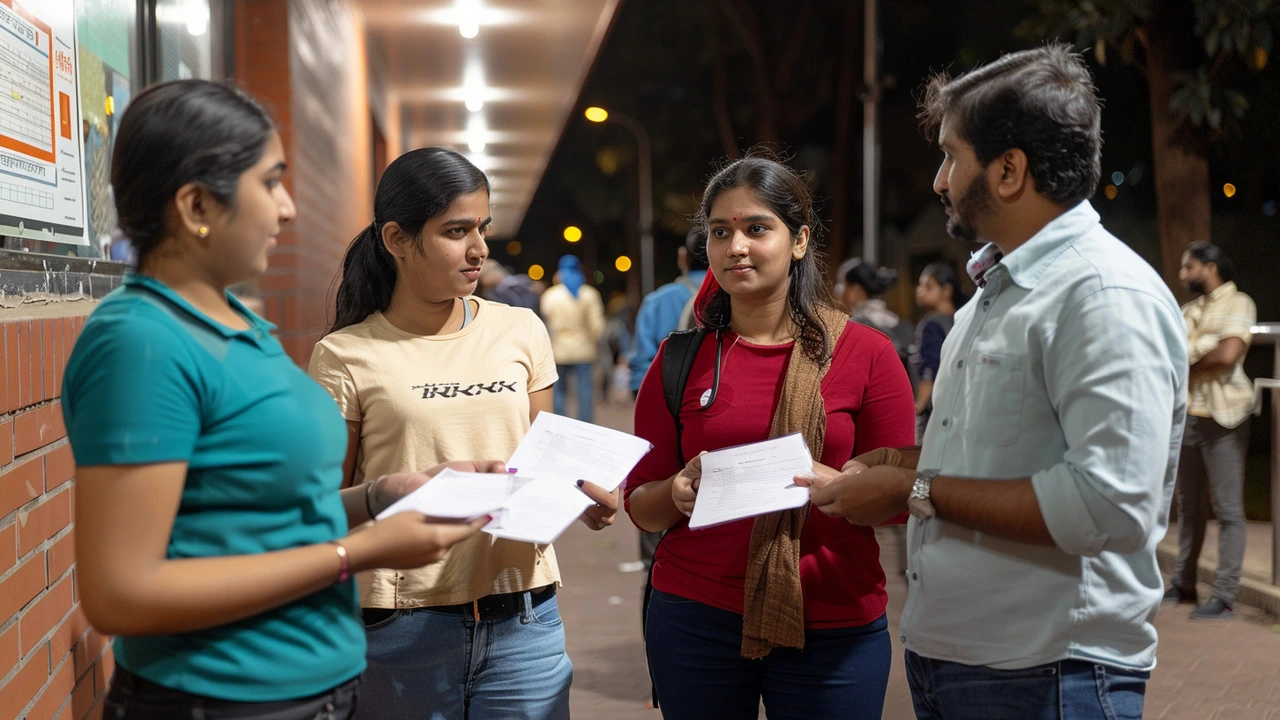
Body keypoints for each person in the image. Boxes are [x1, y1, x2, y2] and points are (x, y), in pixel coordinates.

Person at [62, 80, 487, 720]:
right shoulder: (141, 342)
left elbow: (260, 518)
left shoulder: (236, 324)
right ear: (198, 203)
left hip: (310, 691)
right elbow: (121, 593)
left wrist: (381, 496)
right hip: (221, 698)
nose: (287, 209)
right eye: (270, 183)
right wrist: (362, 551)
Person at [799, 45, 1187, 720]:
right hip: (961, 662)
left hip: (1051, 674)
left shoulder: (1101, 293)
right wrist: (901, 464)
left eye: (952, 155)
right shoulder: (991, 296)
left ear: (1009, 170)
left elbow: (1108, 505)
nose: (939, 181)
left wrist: (913, 490)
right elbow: (1001, 462)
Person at [309, 147, 619, 720]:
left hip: (525, 617)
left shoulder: (521, 329)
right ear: (398, 239)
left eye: (482, 228)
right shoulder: (345, 356)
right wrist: (392, 494)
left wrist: (582, 495)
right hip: (398, 629)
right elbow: (319, 508)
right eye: (456, 231)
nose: (479, 249)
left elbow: (540, 464)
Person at [624, 154, 915, 720]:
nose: (737, 246)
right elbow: (641, 503)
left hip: (833, 622)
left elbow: (902, 498)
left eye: (757, 228)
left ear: (799, 241)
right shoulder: (680, 359)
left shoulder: (866, 354)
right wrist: (678, 492)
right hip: (695, 619)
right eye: (720, 231)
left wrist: (849, 488)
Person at [1167, 241, 1256, 620]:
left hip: (1225, 416)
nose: (1183, 275)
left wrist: (1190, 362)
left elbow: (1227, 355)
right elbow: (1170, 355)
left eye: (1189, 268)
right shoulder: (1189, 310)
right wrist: (1201, 354)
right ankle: (1183, 583)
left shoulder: (1239, 303)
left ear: (1210, 267)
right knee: (1189, 507)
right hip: (1189, 414)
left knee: (1228, 508)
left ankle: (1224, 594)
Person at [629, 230, 711, 399]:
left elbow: (642, 360)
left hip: (665, 394)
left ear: (682, 256)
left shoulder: (657, 300)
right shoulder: (736, 298)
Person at [540, 255, 606, 421]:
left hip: (558, 350)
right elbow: (597, 325)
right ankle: (585, 425)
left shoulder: (550, 295)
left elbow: (547, 321)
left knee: (559, 391)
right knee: (584, 392)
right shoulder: (589, 294)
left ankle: (561, 423)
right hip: (584, 349)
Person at [836, 257, 914, 379]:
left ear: (855, 290)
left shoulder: (854, 327)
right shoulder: (901, 323)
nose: (837, 290)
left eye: (841, 283)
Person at [911, 262, 963, 442]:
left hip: (936, 410)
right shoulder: (964, 318)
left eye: (928, 286)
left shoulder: (931, 324)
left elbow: (929, 368)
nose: (920, 290)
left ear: (946, 290)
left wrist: (918, 405)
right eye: (920, 285)